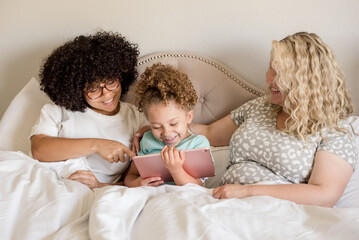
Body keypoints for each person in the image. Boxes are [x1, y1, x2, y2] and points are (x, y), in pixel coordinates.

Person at [191, 32, 358, 207]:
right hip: (227, 204)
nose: (268, 79)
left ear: (304, 80)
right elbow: (208, 133)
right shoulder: (260, 107)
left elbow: (324, 195)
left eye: (278, 72)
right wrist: (166, 126)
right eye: (270, 69)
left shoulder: (334, 132)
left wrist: (248, 192)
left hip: (279, 212)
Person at [30, 31, 148, 189]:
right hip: (46, 184)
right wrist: (97, 146)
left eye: (111, 82)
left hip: (94, 193)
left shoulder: (136, 117)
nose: (106, 93)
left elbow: (136, 179)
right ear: (77, 89)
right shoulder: (58, 111)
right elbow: (39, 150)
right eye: (93, 89)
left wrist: (99, 185)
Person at [124, 63, 212, 187]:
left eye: (173, 123)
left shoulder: (198, 145)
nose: (166, 133)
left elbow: (197, 187)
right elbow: (130, 176)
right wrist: (137, 183)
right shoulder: (147, 140)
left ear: (189, 117)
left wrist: (175, 169)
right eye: (156, 127)